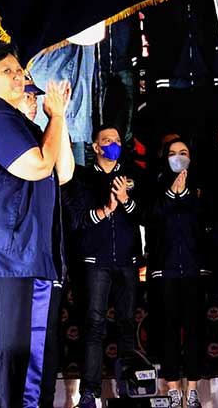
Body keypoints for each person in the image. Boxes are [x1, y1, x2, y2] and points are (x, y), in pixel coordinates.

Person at [0, 42, 73, 408]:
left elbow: (62, 171)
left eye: (21, 71)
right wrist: (53, 119)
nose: (21, 78)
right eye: (10, 72)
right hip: (3, 250)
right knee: (11, 348)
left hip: (14, 250)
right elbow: (38, 166)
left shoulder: (19, 124)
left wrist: (59, 118)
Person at [66, 125, 143, 408]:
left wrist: (126, 201)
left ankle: (129, 391)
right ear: (96, 147)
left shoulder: (133, 175)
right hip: (94, 262)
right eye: (107, 141)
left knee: (127, 326)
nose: (113, 144)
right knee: (94, 326)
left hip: (127, 261)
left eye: (117, 140)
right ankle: (89, 393)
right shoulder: (82, 177)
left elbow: (146, 214)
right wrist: (104, 211)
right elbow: (76, 220)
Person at [147, 137, 204, 408]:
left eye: (183, 152)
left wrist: (186, 196)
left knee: (194, 329)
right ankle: (172, 389)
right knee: (167, 329)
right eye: (173, 153)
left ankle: (192, 390)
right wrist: (171, 194)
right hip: (164, 269)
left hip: (193, 269)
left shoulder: (201, 185)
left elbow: (205, 220)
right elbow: (151, 217)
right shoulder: (155, 184)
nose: (178, 157)